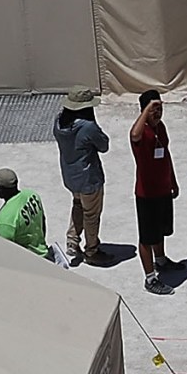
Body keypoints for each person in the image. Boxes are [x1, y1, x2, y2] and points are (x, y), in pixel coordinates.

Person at [128, 90, 182, 294]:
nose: (158, 113)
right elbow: (134, 135)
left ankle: (161, 260)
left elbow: (166, 154)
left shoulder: (161, 128)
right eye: (153, 109)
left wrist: (173, 181)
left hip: (163, 190)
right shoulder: (140, 132)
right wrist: (146, 111)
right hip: (146, 194)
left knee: (161, 230)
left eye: (160, 108)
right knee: (147, 237)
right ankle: (150, 278)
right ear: (144, 111)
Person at [53, 88, 109, 266]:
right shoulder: (88, 127)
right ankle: (92, 250)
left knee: (77, 205)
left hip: (70, 176)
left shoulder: (58, 123)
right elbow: (104, 145)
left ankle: (72, 241)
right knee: (91, 214)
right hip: (89, 179)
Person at [0, 168, 56, 261]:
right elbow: (42, 223)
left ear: (0, 189)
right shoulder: (31, 195)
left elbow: (4, 253)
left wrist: (1, 228)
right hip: (44, 253)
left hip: (30, 263)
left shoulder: (5, 219)